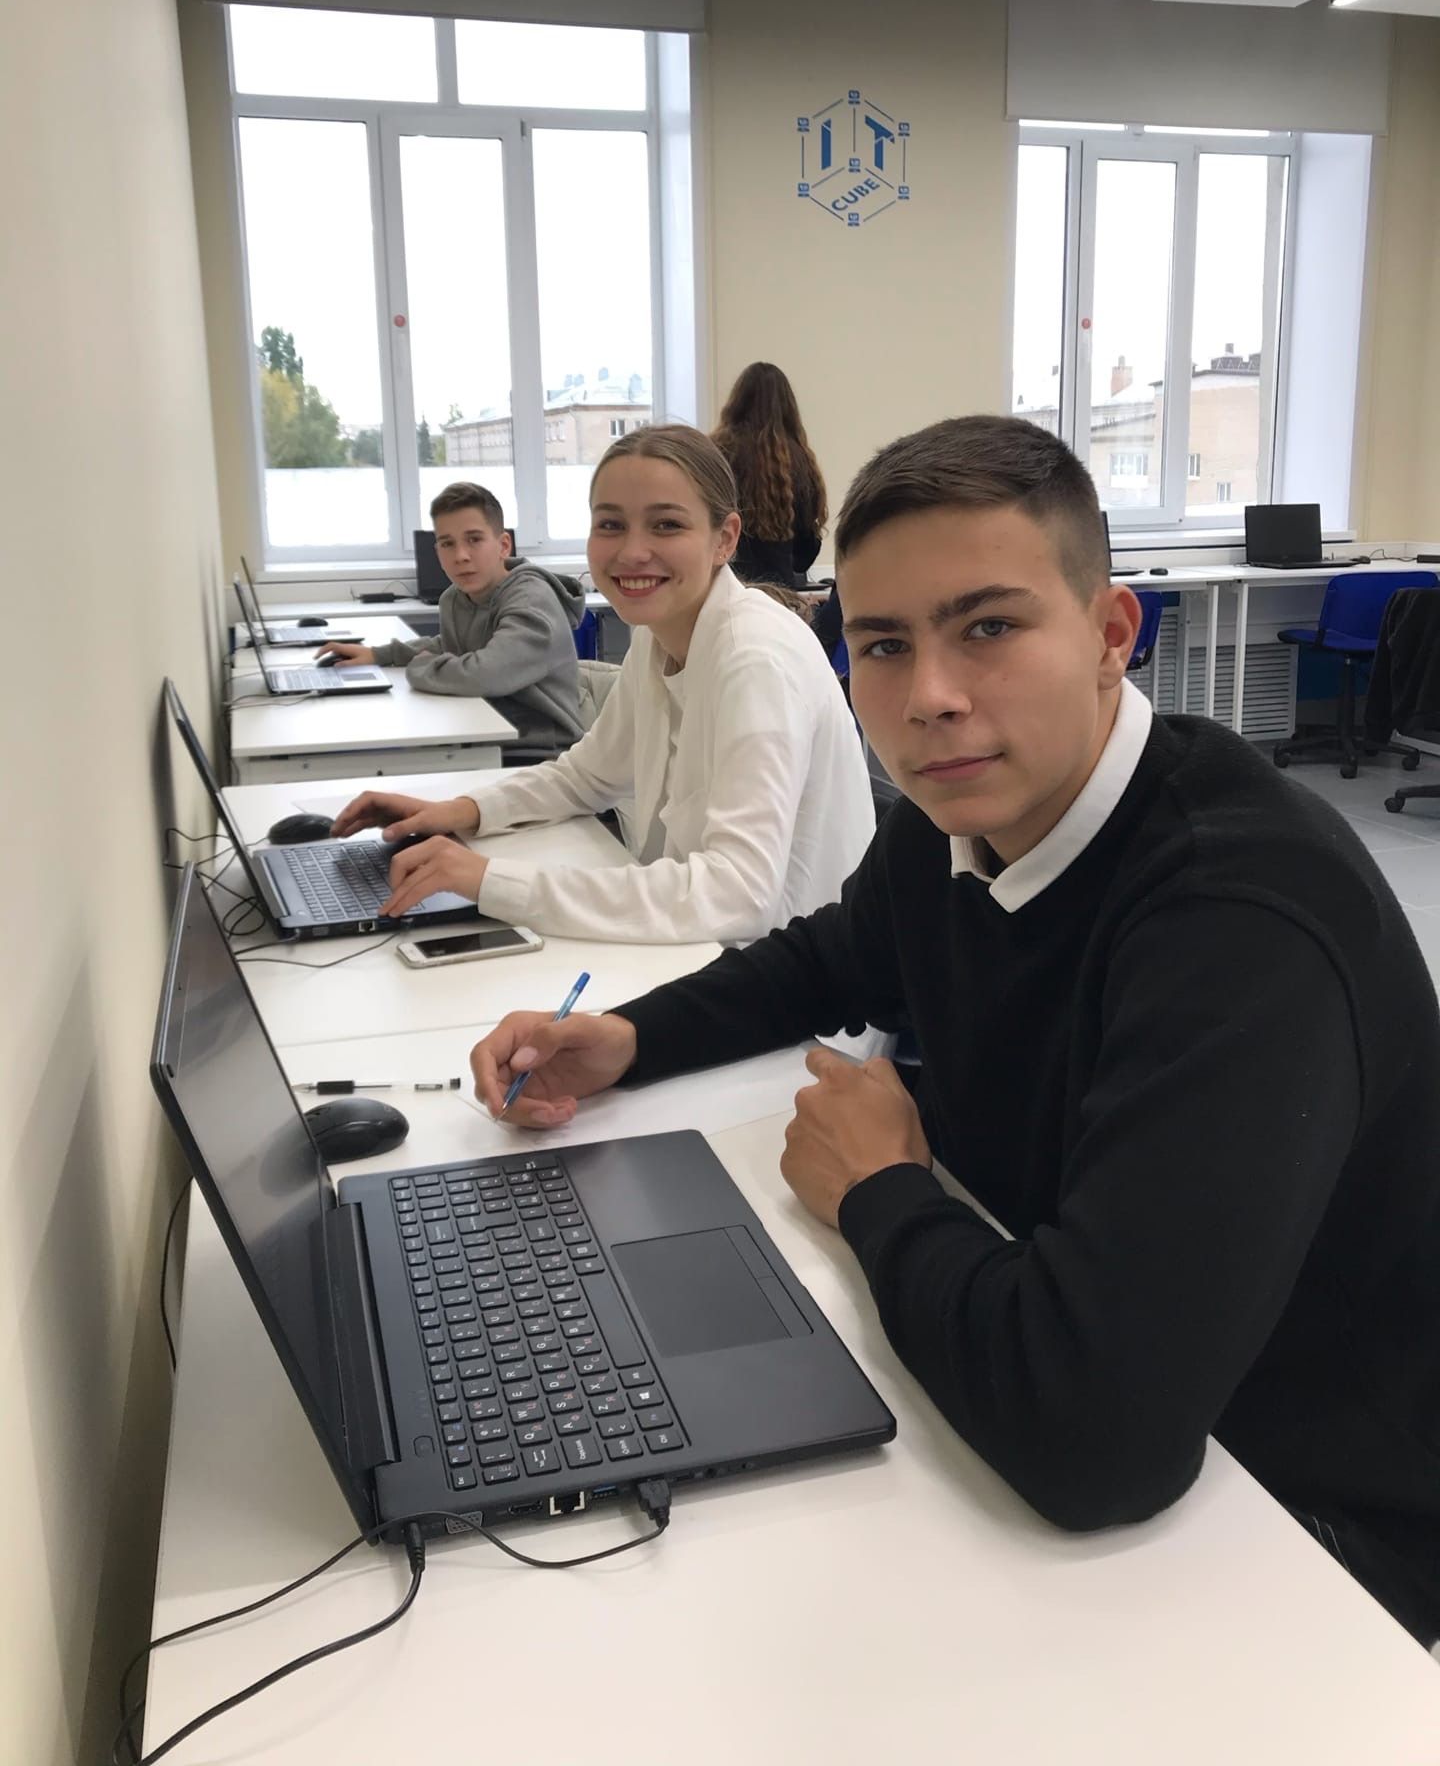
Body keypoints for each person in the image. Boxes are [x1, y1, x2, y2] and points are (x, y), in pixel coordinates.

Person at [469, 414, 1440, 1647]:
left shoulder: (1240, 919)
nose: (929, 697)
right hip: (1069, 1351)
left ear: (1110, 637)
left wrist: (881, 1189)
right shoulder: (956, 820)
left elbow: (1098, 1437)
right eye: (884, 644)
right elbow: (828, 957)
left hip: (1309, 1523)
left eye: (988, 628)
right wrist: (627, 1038)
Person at [329, 424, 874, 945]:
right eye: (610, 525)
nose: (632, 552)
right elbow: (586, 777)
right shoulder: (658, 634)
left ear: (724, 539)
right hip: (706, 948)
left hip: (793, 984)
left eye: (666, 525)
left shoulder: (755, 659)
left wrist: (490, 880)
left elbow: (738, 894)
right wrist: (459, 810)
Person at [325, 482, 585, 750]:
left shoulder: (532, 599)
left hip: (539, 752)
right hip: (482, 732)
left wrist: (422, 667)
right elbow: (454, 645)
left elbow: (486, 674)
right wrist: (380, 655)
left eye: (474, 539)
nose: (460, 556)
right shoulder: (455, 598)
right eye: (447, 544)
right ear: (437, 552)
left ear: (503, 545)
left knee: (387, 755)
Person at [712, 361, 827, 589]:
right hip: (778, 593)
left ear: (736, 402)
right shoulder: (801, 461)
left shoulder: (716, 453)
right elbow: (803, 556)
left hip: (722, 586)